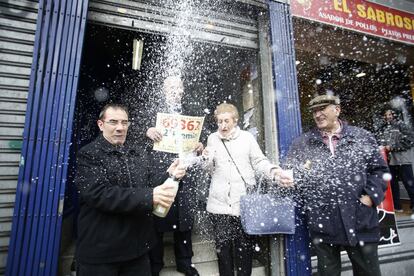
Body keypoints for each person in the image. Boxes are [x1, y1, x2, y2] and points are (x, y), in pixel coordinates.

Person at [75, 103, 187, 276]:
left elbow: (150, 183)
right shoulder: (89, 154)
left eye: (124, 122)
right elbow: (99, 194)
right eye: (113, 122)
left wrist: (170, 174)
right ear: (101, 124)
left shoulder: (137, 152)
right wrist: (150, 196)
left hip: (137, 252)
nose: (120, 127)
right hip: (102, 254)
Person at [285, 94, 389, 276]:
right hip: (323, 223)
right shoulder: (302, 144)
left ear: (337, 110)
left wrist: (370, 197)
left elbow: (379, 171)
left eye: (322, 109)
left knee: (368, 272)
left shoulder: (362, 137)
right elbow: (291, 174)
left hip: (360, 221)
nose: (317, 114)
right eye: (314, 111)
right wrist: (285, 179)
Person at [201, 103, 292, 276]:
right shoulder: (212, 138)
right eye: (219, 122)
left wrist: (274, 172)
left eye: (226, 121)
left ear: (235, 121)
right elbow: (209, 170)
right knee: (223, 252)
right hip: (218, 205)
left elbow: (259, 162)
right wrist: (207, 159)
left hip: (243, 204)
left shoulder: (247, 138)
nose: (223, 126)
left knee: (244, 251)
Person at [144, 76, 202, 276]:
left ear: (183, 90)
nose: (175, 91)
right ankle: (155, 264)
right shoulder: (152, 110)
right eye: (170, 87)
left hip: (185, 172)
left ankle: (185, 262)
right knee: (157, 218)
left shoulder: (191, 111)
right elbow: (135, 135)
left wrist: (200, 146)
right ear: (163, 89)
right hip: (161, 173)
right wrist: (147, 131)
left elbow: (199, 141)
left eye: (178, 87)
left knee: (184, 220)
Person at [377, 108, 414, 212]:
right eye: (386, 115)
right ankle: (397, 207)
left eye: (390, 114)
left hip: (403, 160)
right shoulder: (383, 128)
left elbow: (410, 140)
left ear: (395, 115)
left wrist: (393, 147)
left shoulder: (401, 125)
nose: (388, 117)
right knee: (393, 185)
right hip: (389, 162)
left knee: (409, 184)